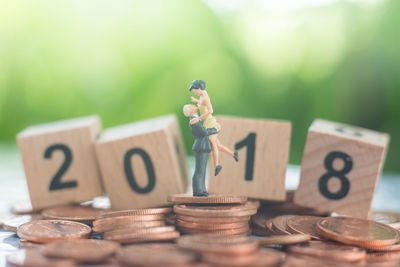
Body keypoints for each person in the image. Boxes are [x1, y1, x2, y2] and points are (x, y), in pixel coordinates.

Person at [189, 80, 238, 176]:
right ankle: (233, 154)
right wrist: (196, 101)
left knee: (213, 144)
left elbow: (210, 110)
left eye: (195, 90)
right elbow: (203, 105)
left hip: (210, 123)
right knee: (218, 146)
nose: (194, 92)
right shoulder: (202, 95)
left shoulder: (205, 98)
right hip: (206, 123)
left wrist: (198, 118)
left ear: (199, 88)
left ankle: (217, 165)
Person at [183, 104, 217, 196]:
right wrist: (213, 130)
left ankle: (202, 190)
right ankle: (198, 191)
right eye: (192, 106)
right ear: (190, 110)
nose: (194, 106)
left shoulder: (196, 118)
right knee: (200, 170)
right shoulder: (194, 121)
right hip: (201, 146)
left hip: (203, 146)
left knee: (202, 170)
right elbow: (203, 132)